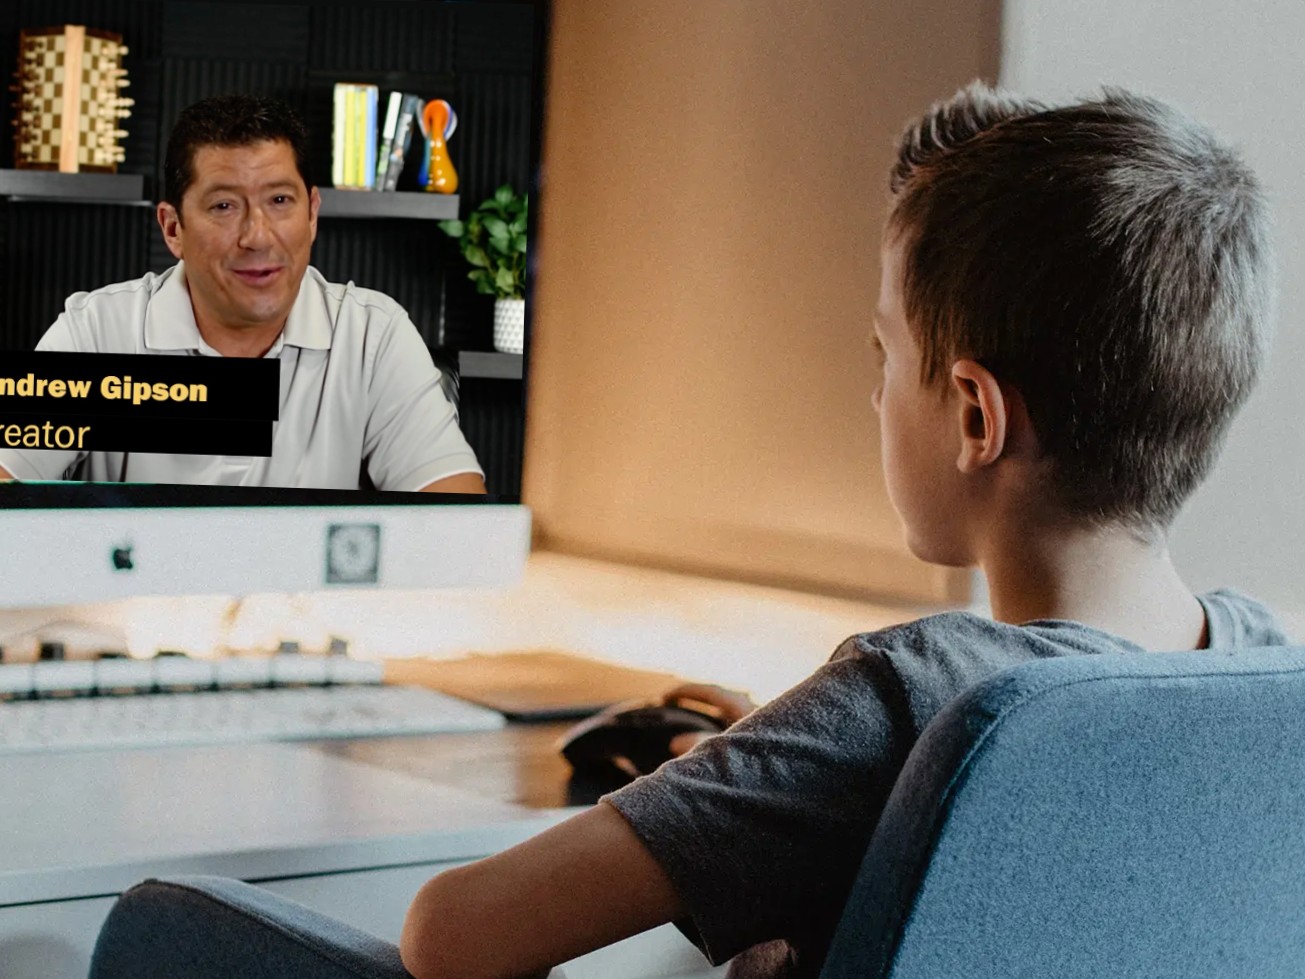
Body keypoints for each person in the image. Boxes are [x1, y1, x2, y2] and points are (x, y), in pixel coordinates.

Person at [94, 81, 1288, 979]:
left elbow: (453, 935)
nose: (874, 393)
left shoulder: (903, 696)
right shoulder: (1262, 671)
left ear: (972, 413)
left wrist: (775, 762)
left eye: (885, 359)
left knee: (159, 930)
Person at [0, 95, 486, 493]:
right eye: (224, 205)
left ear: (312, 213)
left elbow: (452, 526)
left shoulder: (372, 336)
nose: (257, 235)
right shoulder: (96, 333)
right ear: (173, 228)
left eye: (279, 201)